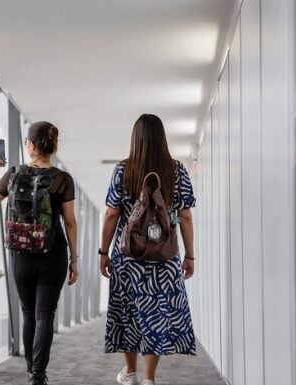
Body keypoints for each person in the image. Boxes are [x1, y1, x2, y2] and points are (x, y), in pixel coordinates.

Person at [100, 114, 197, 385]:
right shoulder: (176, 170)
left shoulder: (123, 170)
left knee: (128, 310)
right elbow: (186, 217)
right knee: (156, 312)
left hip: (128, 256)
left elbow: (111, 215)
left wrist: (103, 252)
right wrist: (189, 255)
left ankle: (129, 372)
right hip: (164, 258)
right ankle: (149, 378)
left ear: (135, 139)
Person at [0, 121, 79, 385]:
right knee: (44, 315)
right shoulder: (62, 179)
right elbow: (70, 221)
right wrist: (75, 259)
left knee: (28, 313)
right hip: (53, 253)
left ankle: (31, 371)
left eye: (27, 142)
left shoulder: (13, 173)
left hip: (21, 254)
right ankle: (38, 374)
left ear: (32, 145)